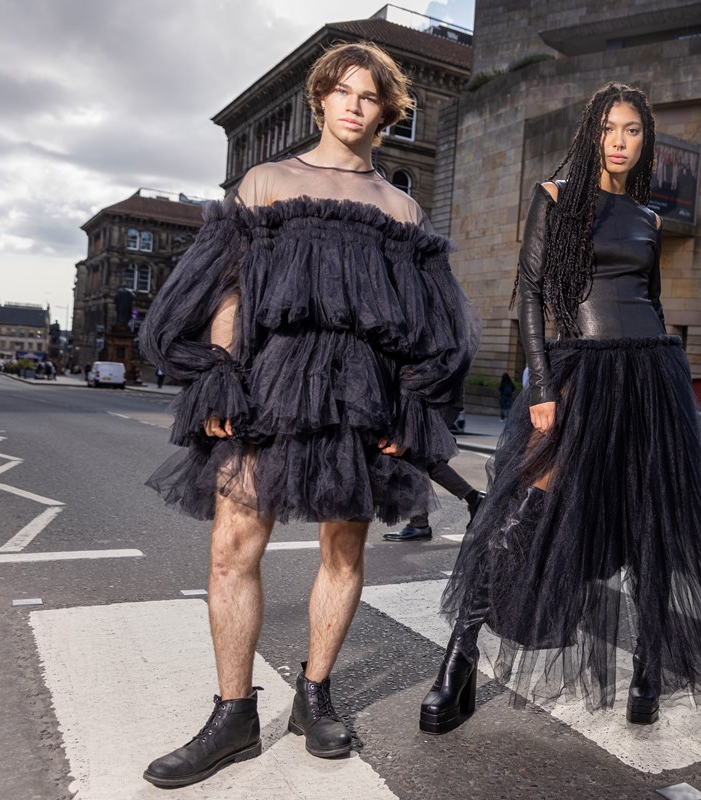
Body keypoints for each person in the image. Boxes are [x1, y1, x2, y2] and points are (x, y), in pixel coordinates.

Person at [136, 42, 478, 788]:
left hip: (363, 387)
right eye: (343, 91)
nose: (355, 104)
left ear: (387, 113)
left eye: (370, 96)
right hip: (271, 378)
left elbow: (430, 322)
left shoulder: (401, 208)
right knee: (232, 544)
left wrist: (410, 404)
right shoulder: (265, 183)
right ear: (320, 99)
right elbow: (227, 289)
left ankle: (314, 696)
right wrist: (221, 377)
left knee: (345, 551)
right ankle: (233, 713)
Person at [422, 82, 701, 735]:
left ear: (645, 139)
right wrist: (542, 390)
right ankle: (456, 665)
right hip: (577, 374)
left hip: (650, 373)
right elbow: (534, 299)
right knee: (521, 513)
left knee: (653, 525)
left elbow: (652, 304)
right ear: (591, 133)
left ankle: (649, 673)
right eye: (610, 128)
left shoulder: (649, 218)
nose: (621, 141)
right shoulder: (554, 198)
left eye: (632, 130)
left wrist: (669, 378)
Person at [384, 402, 484, 541]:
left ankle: (419, 524)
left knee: (415, 455)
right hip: (422, 402)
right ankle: (474, 499)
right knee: (423, 456)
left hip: (421, 401)